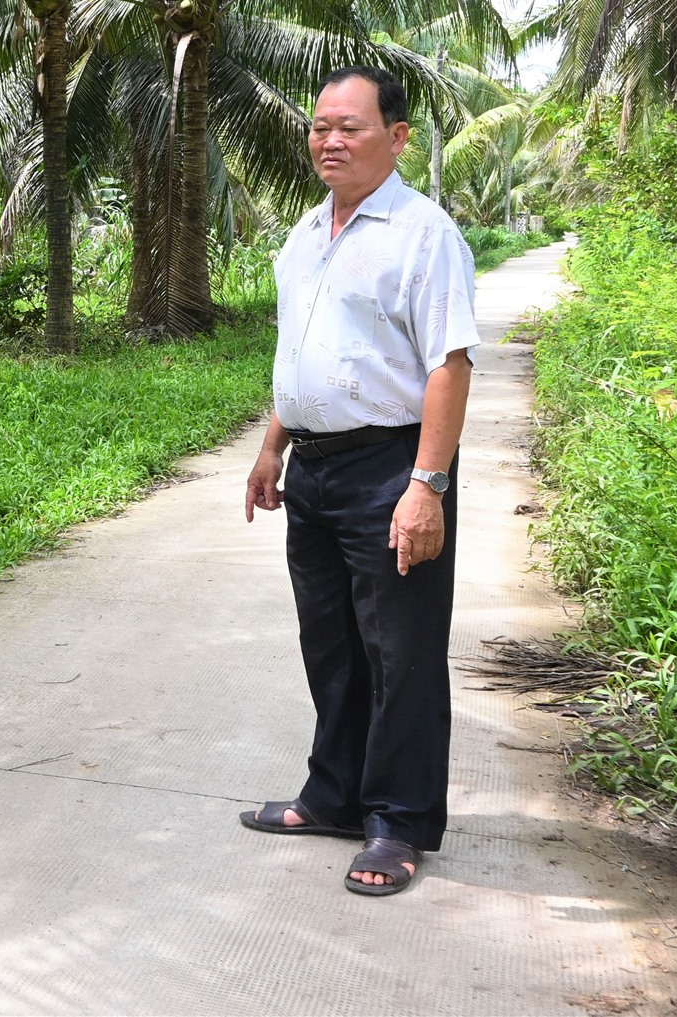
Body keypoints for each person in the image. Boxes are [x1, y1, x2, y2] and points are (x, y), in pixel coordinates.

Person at [240, 64, 480, 896]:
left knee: (401, 650)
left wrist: (429, 486)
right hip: (313, 465)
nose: (330, 139)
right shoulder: (306, 231)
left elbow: (449, 366)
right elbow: (298, 351)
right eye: (319, 126)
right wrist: (274, 446)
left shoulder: (424, 234)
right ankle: (334, 794)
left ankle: (399, 820)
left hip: (392, 466)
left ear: (398, 136)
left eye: (350, 126)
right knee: (332, 644)